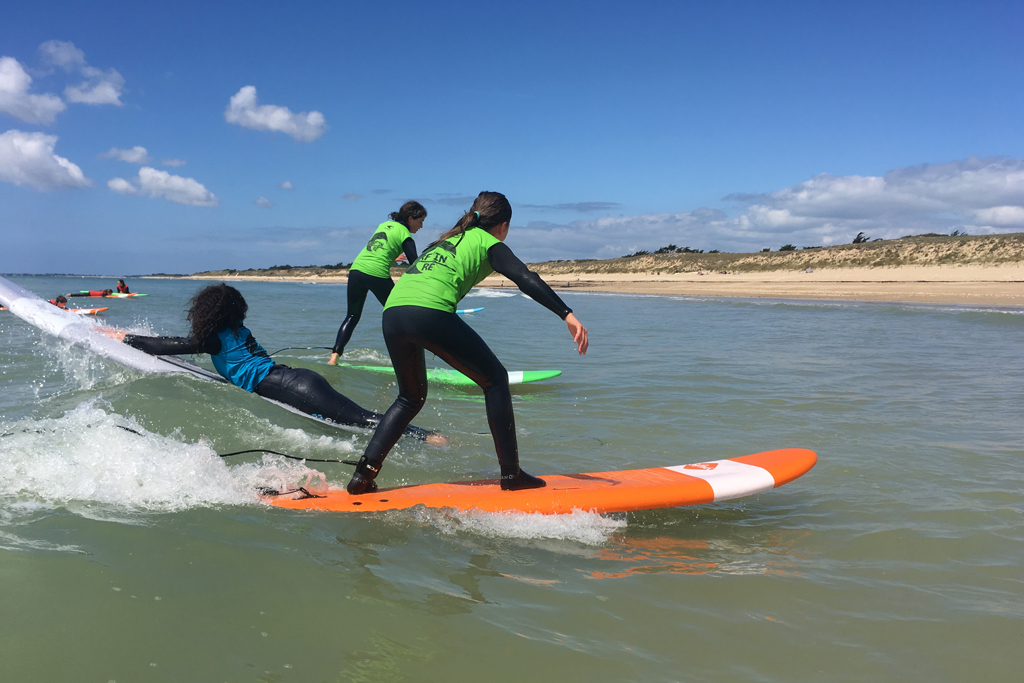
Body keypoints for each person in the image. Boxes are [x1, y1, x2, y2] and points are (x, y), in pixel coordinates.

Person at [346, 191, 588, 495]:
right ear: (503, 225)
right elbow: (525, 277)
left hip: (392, 313)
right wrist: (566, 314)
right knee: (496, 380)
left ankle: (362, 477)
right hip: (427, 311)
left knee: (410, 398)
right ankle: (511, 475)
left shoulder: (446, 241)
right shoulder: (489, 243)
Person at [107, 283, 445, 444]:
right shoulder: (235, 330)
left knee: (363, 420)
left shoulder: (212, 338)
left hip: (294, 387)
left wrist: (125, 338)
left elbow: (173, 346)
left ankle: (428, 438)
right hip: (295, 380)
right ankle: (424, 436)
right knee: (359, 418)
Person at [328, 201, 428, 365]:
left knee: (352, 316)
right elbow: (415, 265)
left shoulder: (385, 225)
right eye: (420, 221)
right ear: (410, 219)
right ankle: (406, 358)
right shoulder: (406, 236)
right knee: (399, 314)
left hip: (356, 271)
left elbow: (379, 246)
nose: (421, 226)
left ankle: (335, 356)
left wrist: (393, 257)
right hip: (376, 274)